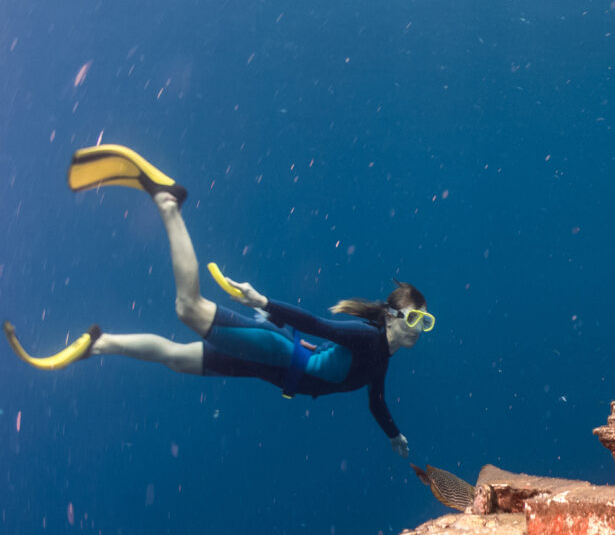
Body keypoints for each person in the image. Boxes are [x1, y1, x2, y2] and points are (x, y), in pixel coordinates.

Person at [5, 145, 429, 455]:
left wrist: (394, 435)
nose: (417, 329)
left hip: (270, 368)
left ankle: (99, 343)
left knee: (176, 358)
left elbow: (376, 401)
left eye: (424, 324)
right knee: (187, 309)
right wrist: (266, 302)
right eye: (414, 319)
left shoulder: (382, 359)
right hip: (274, 350)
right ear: (391, 315)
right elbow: (318, 326)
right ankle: (168, 202)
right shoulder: (368, 338)